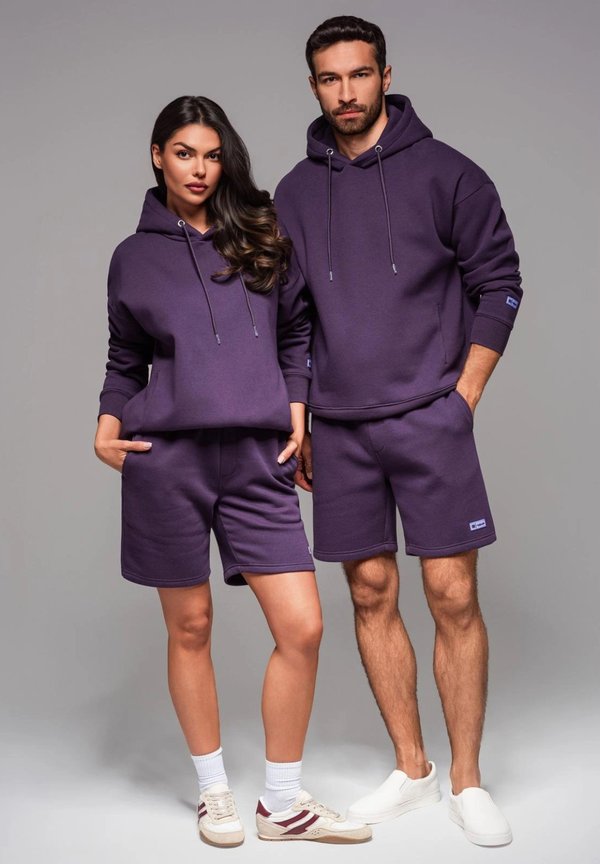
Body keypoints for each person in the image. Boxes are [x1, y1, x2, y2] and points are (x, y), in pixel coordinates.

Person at [94, 95, 371, 847]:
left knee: (303, 627)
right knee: (191, 626)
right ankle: (214, 792)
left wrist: (297, 410)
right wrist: (107, 423)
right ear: (158, 155)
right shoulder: (132, 256)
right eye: (184, 153)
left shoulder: (260, 234)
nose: (199, 169)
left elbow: (297, 333)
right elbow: (125, 358)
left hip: (256, 460)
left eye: (212, 155)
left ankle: (281, 803)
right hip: (168, 462)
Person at [274, 16, 522, 848]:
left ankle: (467, 780)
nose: (345, 92)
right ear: (314, 85)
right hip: (341, 430)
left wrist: (464, 396)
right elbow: (293, 320)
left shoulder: (451, 174)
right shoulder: (294, 194)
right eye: (329, 78)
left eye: (359, 74)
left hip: (429, 418)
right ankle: (413, 769)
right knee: (370, 593)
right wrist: (302, 416)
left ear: (385, 75)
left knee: (453, 595)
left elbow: (500, 282)